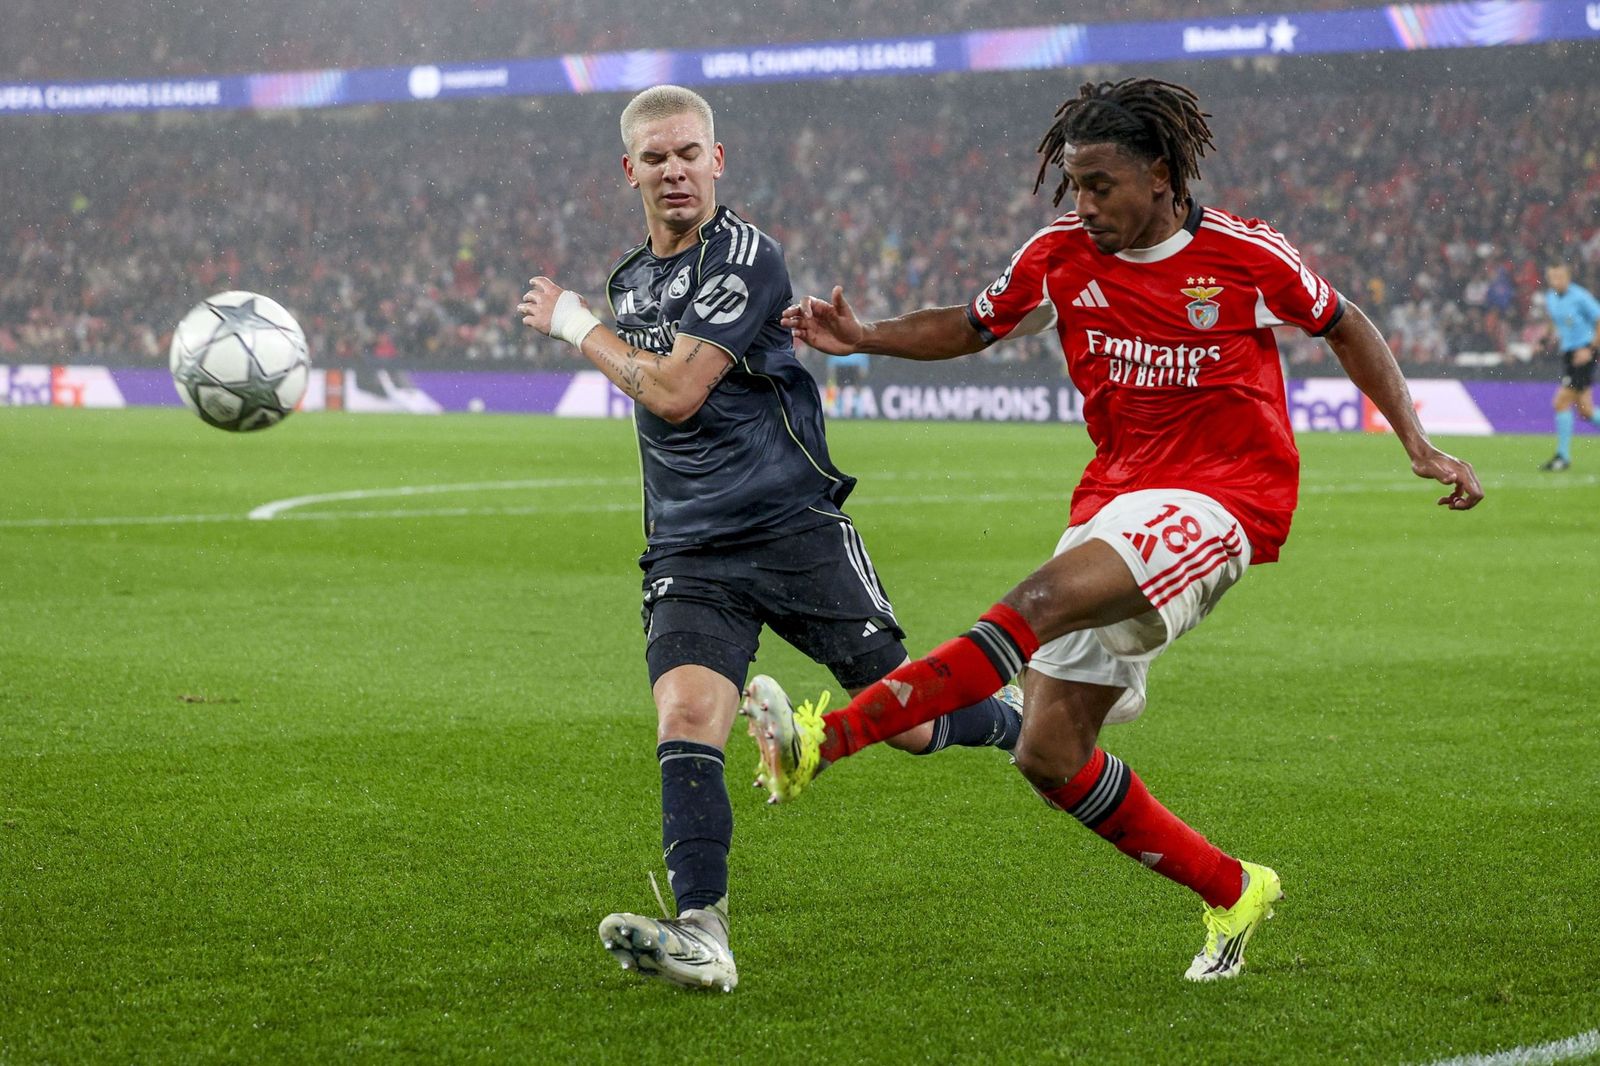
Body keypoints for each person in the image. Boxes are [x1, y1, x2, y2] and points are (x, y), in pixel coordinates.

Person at [744, 77, 1483, 982]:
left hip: (1226, 500)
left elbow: (1345, 323)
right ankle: (1234, 887)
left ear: (1162, 176)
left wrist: (1417, 440)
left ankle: (825, 742)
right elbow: (975, 327)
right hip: (1113, 499)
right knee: (1048, 752)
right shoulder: (1058, 254)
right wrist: (865, 337)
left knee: (1039, 602)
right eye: (1074, 185)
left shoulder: (1246, 257)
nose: (1083, 205)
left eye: (1101, 184)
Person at [515, 85, 1022, 993]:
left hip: (792, 531)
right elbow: (654, 387)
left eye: (688, 153)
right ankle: (703, 931)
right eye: (655, 158)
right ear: (628, 170)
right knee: (686, 716)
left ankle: (1029, 722)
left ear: (718, 160)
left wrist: (572, 323)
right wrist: (597, 322)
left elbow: (673, 392)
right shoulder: (630, 279)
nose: (674, 171)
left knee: (906, 722)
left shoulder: (748, 257)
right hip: (688, 550)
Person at [1538, 262, 1600, 471]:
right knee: (1586, 411)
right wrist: (1545, 338)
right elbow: (1555, 321)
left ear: (1568, 277)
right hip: (1569, 354)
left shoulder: (1580, 296)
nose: (1557, 281)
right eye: (1553, 277)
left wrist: (1590, 349)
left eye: (1560, 277)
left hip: (1584, 353)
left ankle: (1562, 457)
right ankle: (1562, 457)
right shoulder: (1550, 297)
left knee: (1560, 402)